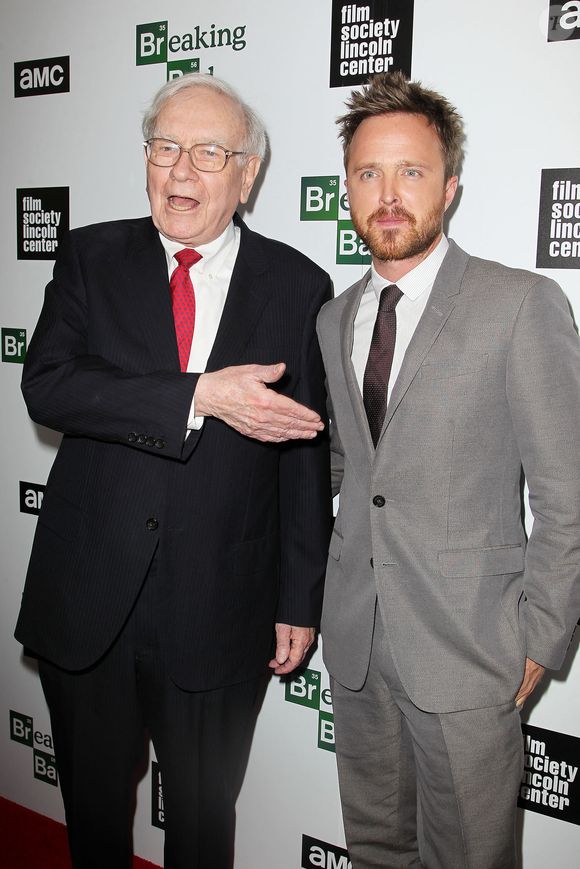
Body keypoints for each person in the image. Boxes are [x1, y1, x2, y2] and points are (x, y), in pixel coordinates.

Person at [16, 72, 332, 869]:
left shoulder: (299, 286)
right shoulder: (91, 254)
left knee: (202, 822)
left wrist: (298, 598)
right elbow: (48, 384)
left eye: (208, 151)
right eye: (165, 147)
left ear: (247, 172)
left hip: (222, 608)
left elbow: (303, 460)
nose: (181, 170)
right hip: (91, 602)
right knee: (91, 812)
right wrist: (197, 395)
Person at [316, 71, 580, 869]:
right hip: (357, 638)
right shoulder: (334, 317)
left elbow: (567, 489)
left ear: (451, 185)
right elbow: (351, 467)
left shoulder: (520, 303)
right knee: (375, 849)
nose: (388, 194)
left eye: (412, 172)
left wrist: (541, 631)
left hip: (471, 648)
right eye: (368, 173)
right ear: (348, 189)